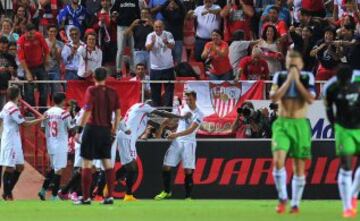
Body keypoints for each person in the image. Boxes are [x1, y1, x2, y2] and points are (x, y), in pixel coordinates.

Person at [270, 50, 315, 214]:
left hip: (300, 124)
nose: (292, 67)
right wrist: (290, 80)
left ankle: (295, 204)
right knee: (278, 161)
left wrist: (297, 81)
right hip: (282, 124)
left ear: (301, 64)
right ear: (286, 64)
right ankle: (282, 198)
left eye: (295, 64)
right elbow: (274, 98)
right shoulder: (280, 77)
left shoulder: (307, 77)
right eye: (290, 64)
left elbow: (310, 99)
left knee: (299, 167)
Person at [116, 100, 185, 201]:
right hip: (127, 137)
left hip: (128, 138)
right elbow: (159, 112)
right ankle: (128, 195)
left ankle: (110, 181)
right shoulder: (143, 106)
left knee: (130, 165)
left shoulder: (138, 110)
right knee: (132, 167)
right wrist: (178, 116)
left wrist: (163, 127)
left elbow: (152, 122)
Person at [74, 67, 121, 205]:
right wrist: (114, 129)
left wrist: (79, 130)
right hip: (106, 130)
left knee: (86, 162)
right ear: (106, 77)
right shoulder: (113, 92)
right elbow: (118, 113)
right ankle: (110, 196)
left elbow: (87, 111)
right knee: (107, 162)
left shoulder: (91, 90)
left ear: (94, 77)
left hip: (92, 128)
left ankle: (86, 197)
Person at [323, 65, 360, 218]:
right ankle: (347, 207)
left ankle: (353, 195)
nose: (344, 86)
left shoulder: (358, 81)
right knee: (346, 165)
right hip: (343, 129)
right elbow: (329, 109)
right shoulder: (330, 88)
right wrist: (334, 126)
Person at [154, 90, 204, 200]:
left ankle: (188, 196)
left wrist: (175, 134)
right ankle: (167, 191)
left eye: (190, 99)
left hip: (189, 142)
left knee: (188, 170)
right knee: (166, 166)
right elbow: (173, 119)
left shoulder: (200, 113)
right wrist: (162, 125)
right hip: (177, 141)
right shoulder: (182, 108)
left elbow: (191, 129)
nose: (188, 101)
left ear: (195, 99)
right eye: (186, 99)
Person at [0, 86, 45, 200]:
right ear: (18, 95)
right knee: (10, 167)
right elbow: (25, 124)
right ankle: (7, 193)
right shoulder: (12, 108)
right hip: (10, 140)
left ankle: (7, 192)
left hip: (14, 139)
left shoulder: (7, 106)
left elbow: (1, 118)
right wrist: (41, 119)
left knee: (20, 167)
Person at [38, 93, 75, 201]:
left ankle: (43, 190)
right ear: (63, 101)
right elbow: (72, 129)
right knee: (58, 170)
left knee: (53, 168)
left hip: (50, 144)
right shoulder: (64, 114)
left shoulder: (47, 112)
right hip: (60, 144)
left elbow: (42, 128)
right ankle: (54, 196)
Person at [17, 23, 50, 113]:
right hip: (28, 67)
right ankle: (31, 111)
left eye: (33, 34)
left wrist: (46, 60)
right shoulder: (20, 41)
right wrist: (27, 72)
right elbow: (21, 58)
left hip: (40, 66)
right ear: (25, 32)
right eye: (29, 34)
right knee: (29, 92)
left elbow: (46, 49)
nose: (31, 36)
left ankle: (42, 110)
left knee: (44, 90)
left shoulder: (39, 36)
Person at [145, 20, 175, 109]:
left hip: (168, 67)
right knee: (155, 91)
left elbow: (172, 46)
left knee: (169, 90)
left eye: (160, 27)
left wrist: (166, 42)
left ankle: (168, 110)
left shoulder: (168, 34)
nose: (158, 29)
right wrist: (153, 42)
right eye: (156, 27)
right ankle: (156, 109)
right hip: (155, 68)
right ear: (154, 27)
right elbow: (147, 48)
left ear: (163, 27)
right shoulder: (150, 35)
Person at [111, 0, 141, 75]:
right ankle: (118, 70)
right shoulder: (118, 0)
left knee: (133, 50)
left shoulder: (135, 1)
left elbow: (138, 14)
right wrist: (114, 14)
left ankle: (133, 70)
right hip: (121, 27)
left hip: (133, 27)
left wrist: (134, 26)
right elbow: (113, 11)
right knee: (120, 49)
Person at [45, 25, 64, 95]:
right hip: (45, 69)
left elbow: (58, 59)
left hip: (56, 69)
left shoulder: (61, 44)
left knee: (56, 90)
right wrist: (52, 46)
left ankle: (56, 105)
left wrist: (55, 48)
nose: (52, 33)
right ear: (47, 32)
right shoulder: (43, 42)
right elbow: (46, 56)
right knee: (45, 91)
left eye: (54, 32)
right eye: (51, 31)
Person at [0, 36, 17, 111]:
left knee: (6, 110)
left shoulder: (10, 57)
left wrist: (12, 71)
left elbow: (15, 73)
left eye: (5, 47)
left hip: (7, 87)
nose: (3, 49)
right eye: (2, 46)